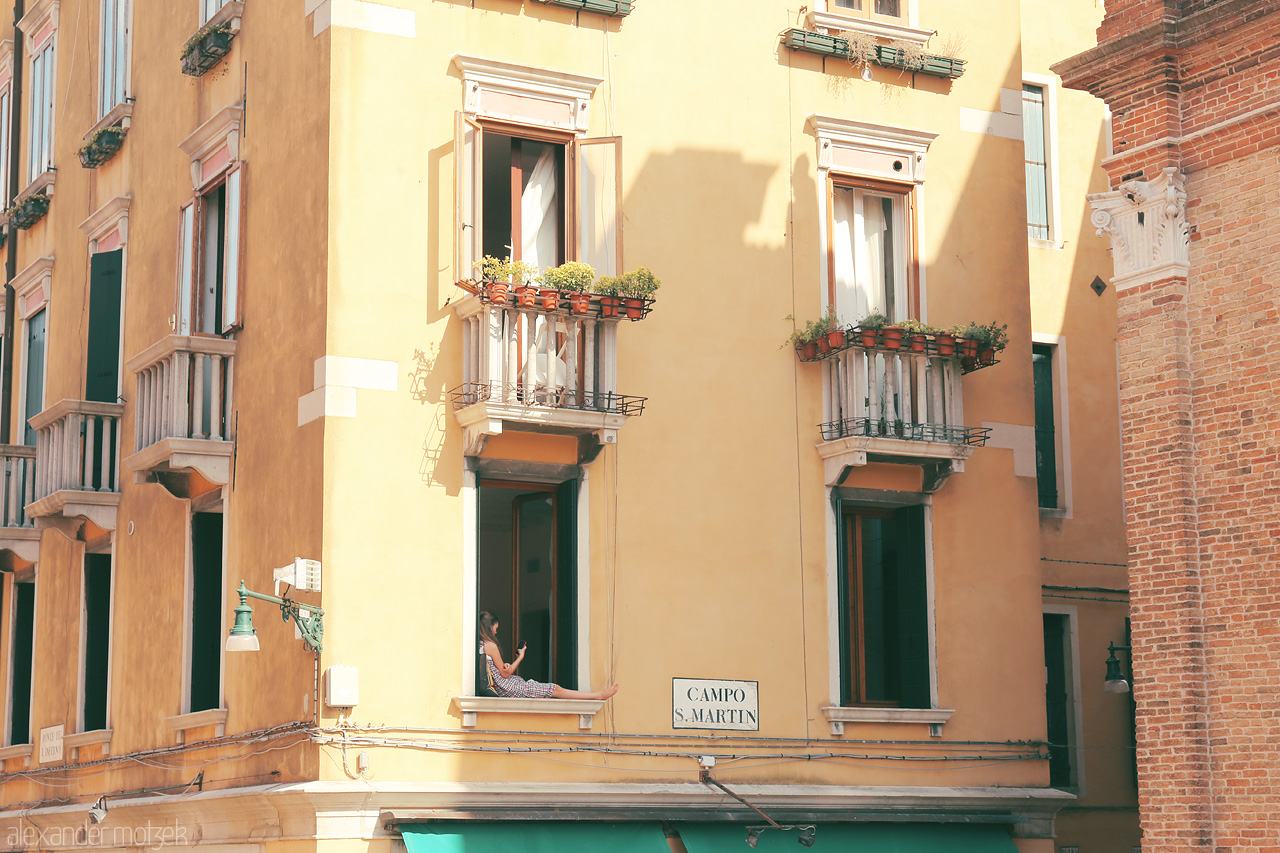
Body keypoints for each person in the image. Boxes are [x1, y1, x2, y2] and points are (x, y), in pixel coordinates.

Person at [478, 611, 619, 700]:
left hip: (506, 688)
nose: (496, 632)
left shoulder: (479, 646)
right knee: (554, 689)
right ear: (488, 628)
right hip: (508, 688)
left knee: (551, 689)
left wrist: (504, 666)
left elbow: (496, 669)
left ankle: (597, 695)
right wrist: (520, 656)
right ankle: (598, 696)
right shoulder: (490, 645)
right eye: (495, 629)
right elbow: (505, 674)